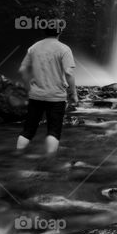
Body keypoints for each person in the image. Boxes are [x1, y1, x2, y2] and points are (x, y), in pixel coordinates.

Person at [16, 19, 78, 154]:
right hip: (56, 97)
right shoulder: (64, 49)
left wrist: (29, 87)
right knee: (54, 131)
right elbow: (68, 73)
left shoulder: (34, 47)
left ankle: (18, 154)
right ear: (60, 31)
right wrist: (73, 93)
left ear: (45, 31)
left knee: (28, 130)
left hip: (36, 95)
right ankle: (50, 161)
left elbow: (22, 70)